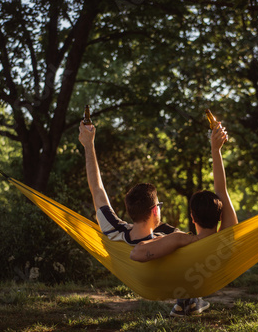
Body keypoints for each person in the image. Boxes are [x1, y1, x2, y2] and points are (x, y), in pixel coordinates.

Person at [78, 120, 209, 316]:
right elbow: (202, 244)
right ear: (155, 211)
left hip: (143, 281)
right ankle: (189, 298)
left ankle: (187, 301)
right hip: (171, 280)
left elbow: (96, 188)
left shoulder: (113, 230)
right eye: (160, 206)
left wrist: (89, 144)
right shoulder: (169, 236)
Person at [129, 121, 238, 316]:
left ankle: (186, 300)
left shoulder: (181, 241)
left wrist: (169, 239)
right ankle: (190, 301)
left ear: (192, 217)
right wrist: (216, 149)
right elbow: (222, 189)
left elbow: (135, 254)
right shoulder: (228, 236)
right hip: (211, 279)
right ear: (221, 216)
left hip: (181, 278)